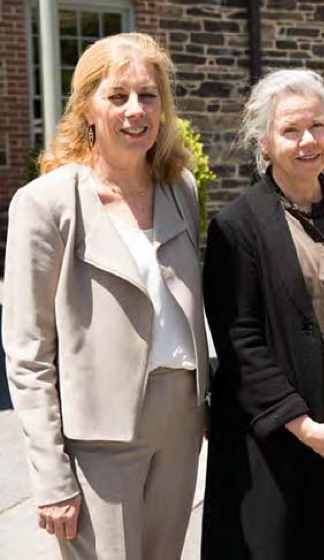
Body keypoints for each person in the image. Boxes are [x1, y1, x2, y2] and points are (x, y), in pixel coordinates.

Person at [2, 32, 209, 558]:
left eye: (148, 95)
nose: (135, 111)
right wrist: (52, 477)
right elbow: (28, 355)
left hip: (181, 421)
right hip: (100, 437)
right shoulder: (46, 203)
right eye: (117, 97)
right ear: (88, 108)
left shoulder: (179, 187)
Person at [200, 69, 324, 560]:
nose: (307, 140)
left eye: (317, 126)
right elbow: (239, 340)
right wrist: (305, 428)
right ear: (264, 142)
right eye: (290, 130)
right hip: (273, 442)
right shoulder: (237, 227)